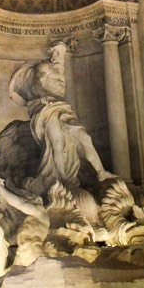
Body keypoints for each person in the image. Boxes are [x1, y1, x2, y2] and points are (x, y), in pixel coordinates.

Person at [8, 42, 112, 195]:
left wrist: (60, 61)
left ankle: (101, 171)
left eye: (60, 53)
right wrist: (44, 90)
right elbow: (41, 81)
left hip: (61, 108)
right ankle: (62, 179)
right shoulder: (43, 68)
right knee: (55, 141)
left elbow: (59, 81)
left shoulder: (58, 70)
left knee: (85, 137)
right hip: (45, 108)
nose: (58, 57)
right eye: (57, 52)